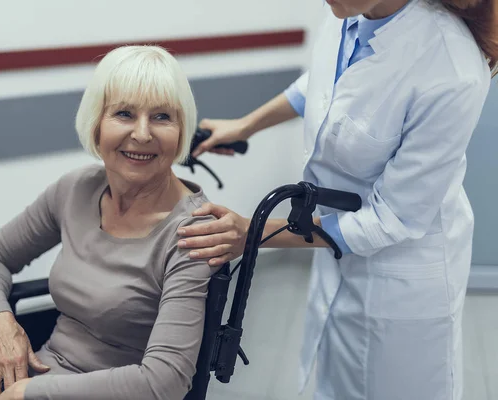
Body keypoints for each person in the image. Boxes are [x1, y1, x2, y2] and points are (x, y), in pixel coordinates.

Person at [177, 0, 497, 398]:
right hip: (336, 252)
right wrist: (245, 125)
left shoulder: (452, 69)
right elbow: (322, 81)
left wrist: (253, 233)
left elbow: (389, 219)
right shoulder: (348, 13)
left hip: (401, 281)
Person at [0, 45, 218, 400]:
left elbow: (164, 383)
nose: (143, 134)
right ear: (96, 123)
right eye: (125, 114)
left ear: (182, 130)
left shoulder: (196, 233)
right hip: (37, 376)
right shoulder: (77, 189)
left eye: (162, 117)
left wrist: (31, 394)